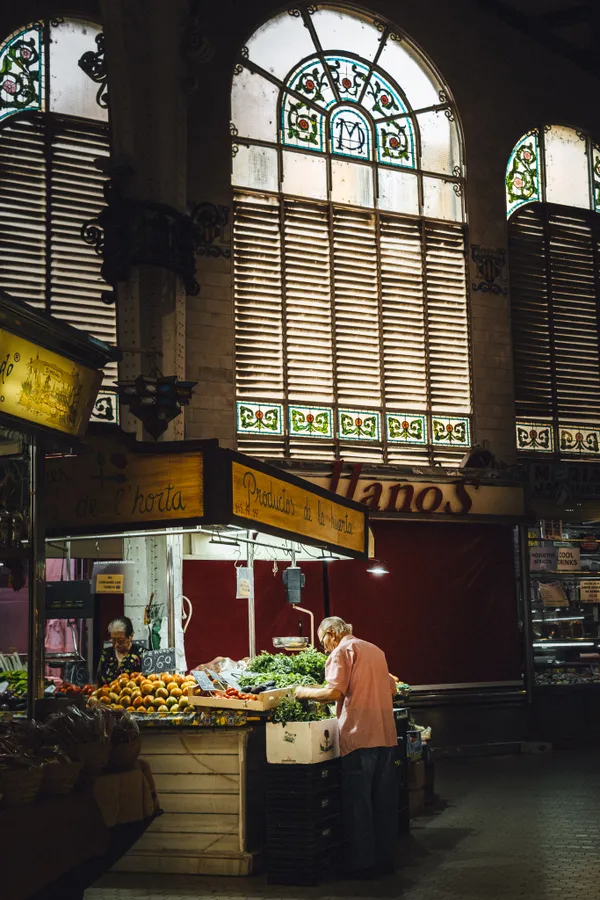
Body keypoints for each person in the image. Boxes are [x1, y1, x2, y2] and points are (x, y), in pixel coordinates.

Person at [296, 616, 398, 879]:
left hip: (358, 735)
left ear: (331, 633)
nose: (324, 648)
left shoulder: (342, 652)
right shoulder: (375, 650)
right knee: (382, 801)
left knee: (358, 802)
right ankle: (385, 860)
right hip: (385, 735)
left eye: (323, 642)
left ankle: (363, 865)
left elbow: (333, 692)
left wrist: (302, 692)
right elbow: (393, 687)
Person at [96, 616, 143, 686]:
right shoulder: (106, 654)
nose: (116, 644)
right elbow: (98, 680)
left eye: (120, 640)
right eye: (113, 640)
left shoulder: (142, 654)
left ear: (131, 636)